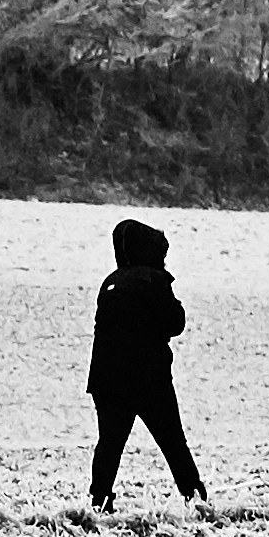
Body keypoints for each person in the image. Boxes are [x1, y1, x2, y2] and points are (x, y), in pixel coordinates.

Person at [86, 216, 205, 509]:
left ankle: (99, 501)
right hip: (148, 380)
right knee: (173, 442)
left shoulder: (110, 283)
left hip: (107, 380)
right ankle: (194, 497)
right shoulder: (154, 280)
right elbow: (174, 323)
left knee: (109, 445)